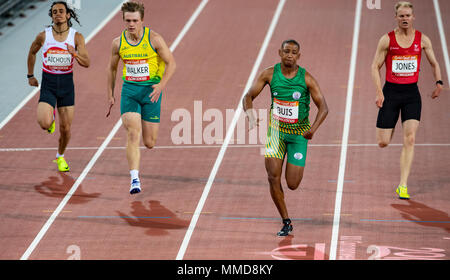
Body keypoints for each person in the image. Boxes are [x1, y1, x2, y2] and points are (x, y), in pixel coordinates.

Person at [243, 39, 328, 236]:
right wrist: (250, 115)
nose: (289, 55)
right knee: (273, 177)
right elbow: (248, 96)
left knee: (292, 184)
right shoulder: (269, 74)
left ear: (299, 56)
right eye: (286, 51)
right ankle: (286, 221)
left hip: (299, 135)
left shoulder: (306, 79)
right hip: (276, 133)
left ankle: (287, 211)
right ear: (279, 53)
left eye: (294, 52)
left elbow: (324, 107)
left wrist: (313, 129)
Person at [371, 1, 443, 199]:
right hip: (391, 93)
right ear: (396, 17)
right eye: (401, 16)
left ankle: (403, 185)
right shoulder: (387, 40)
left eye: (407, 15)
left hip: (412, 95)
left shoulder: (423, 39)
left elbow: (434, 63)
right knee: (383, 142)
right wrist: (379, 92)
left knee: (410, 138)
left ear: (413, 17)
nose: (404, 19)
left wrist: (439, 82)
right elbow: (374, 66)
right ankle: (390, 125)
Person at [107, 1, 176, 194]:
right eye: (128, 20)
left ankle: (136, 173)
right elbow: (112, 69)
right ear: (123, 20)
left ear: (142, 20)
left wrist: (161, 85)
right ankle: (134, 179)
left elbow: (171, 63)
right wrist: (110, 93)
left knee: (149, 142)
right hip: (129, 92)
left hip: (151, 93)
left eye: (135, 20)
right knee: (132, 133)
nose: (131, 24)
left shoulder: (154, 39)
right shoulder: (118, 43)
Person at [27, 1, 90, 172]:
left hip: (67, 86)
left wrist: (74, 53)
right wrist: (30, 75)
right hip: (49, 84)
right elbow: (32, 52)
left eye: (61, 11)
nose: (58, 14)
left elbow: (87, 62)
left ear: (68, 15)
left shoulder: (76, 37)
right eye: (54, 12)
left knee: (66, 129)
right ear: (52, 15)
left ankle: (60, 156)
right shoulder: (43, 36)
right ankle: (51, 117)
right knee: (44, 123)